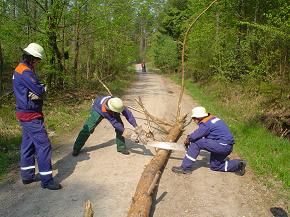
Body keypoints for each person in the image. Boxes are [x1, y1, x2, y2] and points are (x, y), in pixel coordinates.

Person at [12, 43, 62, 190]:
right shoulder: (26, 72)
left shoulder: (19, 69)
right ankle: (47, 180)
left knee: (28, 145)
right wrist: (42, 88)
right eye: (38, 59)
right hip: (30, 114)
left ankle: (27, 176)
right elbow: (40, 90)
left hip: (24, 112)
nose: (38, 62)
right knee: (44, 145)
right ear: (32, 58)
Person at [172, 106, 246, 175]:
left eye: (194, 118)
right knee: (215, 166)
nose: (193, 120)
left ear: (199, 117)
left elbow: (194, 136)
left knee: (196, 142)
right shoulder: (212, 119)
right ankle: (238, 165)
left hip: (222, 146)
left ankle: (185, 167)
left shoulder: (206, 124)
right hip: (225, 146)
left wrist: (187, 139)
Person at [72, 96, 139, 156]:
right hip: (98, 109)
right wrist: (129, 134)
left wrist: (136, 127)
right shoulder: (104, 110)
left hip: (111, 109)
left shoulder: (117, 103)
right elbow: (115, 123)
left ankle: (121, 147)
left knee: (120, 128)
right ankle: (76, 148)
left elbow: (128, 115)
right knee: (88, 128)